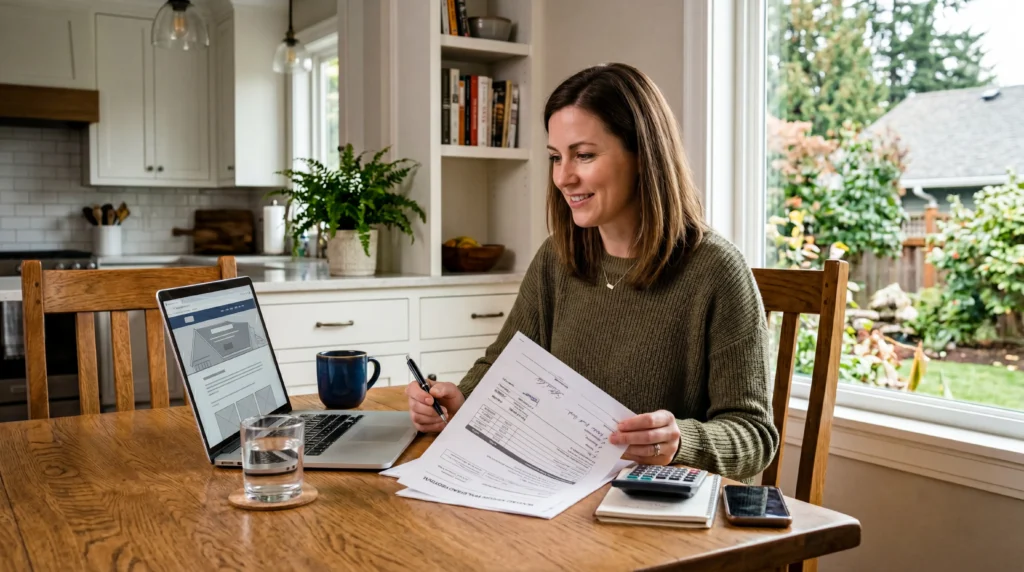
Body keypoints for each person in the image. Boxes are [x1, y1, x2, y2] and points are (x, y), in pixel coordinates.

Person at [406, 63, 778, 481]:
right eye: (555, 157)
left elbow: (754, 436)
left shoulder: (716, 271)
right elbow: (503, 364)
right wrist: (460, 401)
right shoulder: (557, 258)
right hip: (559, 493)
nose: (564, 177)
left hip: (657, 516)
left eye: (584, 155)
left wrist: (678, 443)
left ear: (643, 155)